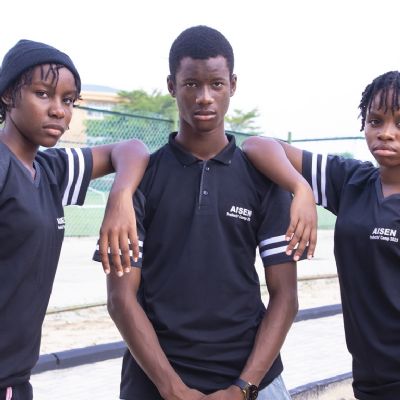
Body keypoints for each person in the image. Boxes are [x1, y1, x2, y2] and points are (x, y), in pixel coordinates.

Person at [94, 25, 308, 400]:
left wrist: (244, 388)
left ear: (233, 85)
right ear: (172, 86)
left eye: (216, 84)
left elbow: (285, 297)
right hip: (155, 383)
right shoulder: (140, 179)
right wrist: (172, 388)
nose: (204, 97)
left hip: (253, 380)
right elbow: (120, 299)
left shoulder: (263, 180)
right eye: (191, 84)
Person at [0, 39, 149, 400]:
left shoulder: (49, 169)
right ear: (7, 95)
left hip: (15, 379)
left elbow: (131, 149)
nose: (58, 110)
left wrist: (120, 198)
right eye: (42, 93)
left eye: (68, 100)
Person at [242, 70, 400, 399]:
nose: (386, 133)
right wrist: (300, 188)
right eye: (376, 121)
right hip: (371, 379)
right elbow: (257, 145)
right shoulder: (352, 182)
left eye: (399, 123)